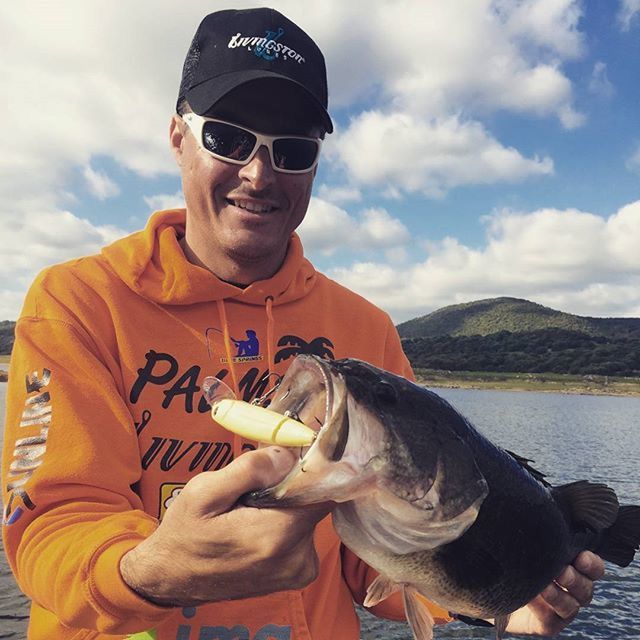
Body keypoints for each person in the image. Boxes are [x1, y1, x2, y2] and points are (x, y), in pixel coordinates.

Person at [1, 7, 604, 640]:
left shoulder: (364, 330)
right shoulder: (76, 302)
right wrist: (150, 571)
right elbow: (46, 524)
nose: (259, 174)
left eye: (291, 150)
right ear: (179, 137)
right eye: (228, 139)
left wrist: (497, 597)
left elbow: (368, 563)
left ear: (314, 166)